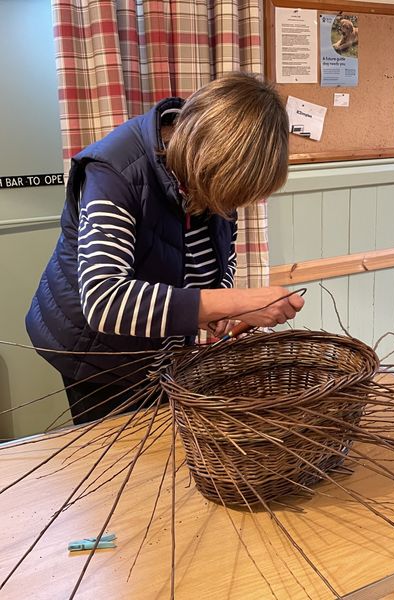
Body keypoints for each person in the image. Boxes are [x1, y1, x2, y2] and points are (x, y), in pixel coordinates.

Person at [26, 72, 304, 424]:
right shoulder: (114, 172)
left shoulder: (212, 174)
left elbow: (220, 252)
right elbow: (104, 302)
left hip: (162, 352)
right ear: (205, 158)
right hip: (96, 354)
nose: (226, 208)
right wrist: (238, 302)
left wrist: (218, 303)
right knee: (124, 460)